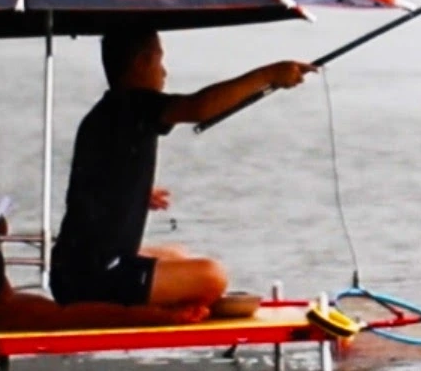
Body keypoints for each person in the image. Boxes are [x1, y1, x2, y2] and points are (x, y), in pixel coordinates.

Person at [49, 30, 313, 309]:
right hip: (92, 280)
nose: (164, 72)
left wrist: (137, 193)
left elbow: (96, 179)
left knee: (177, 254)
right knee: (213, 275)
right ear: (142, 62)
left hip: (71, 269)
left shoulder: (106, 113)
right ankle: (159, 311)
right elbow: (199, 107)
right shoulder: (134, 104)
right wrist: (268, 75)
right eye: (159, 61)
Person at [0, 149, 223, 333]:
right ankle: (159, 317)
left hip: (14, 304)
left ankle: (164, 306)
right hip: (6, 315)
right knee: (86, 316)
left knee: (172, 254)